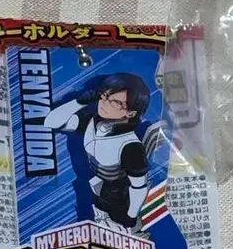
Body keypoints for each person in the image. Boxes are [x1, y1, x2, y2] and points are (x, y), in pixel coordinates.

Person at [44, 73, 152, 231]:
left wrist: (131, 216)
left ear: (131, 113)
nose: (105, 104)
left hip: (120, 208)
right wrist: (78, 103)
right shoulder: (92, 122)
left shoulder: (130, 147)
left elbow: (139, 186)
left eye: (115, 103)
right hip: (98, 200)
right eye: (105, 96)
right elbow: (51, 122)